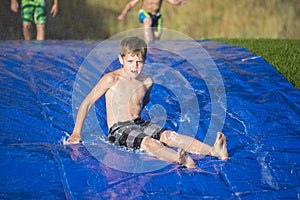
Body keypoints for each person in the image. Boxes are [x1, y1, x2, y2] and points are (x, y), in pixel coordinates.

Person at [65, 36, 228, 168]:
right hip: (119, 128)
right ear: (121, 59)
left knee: (169, 135)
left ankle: (214, 151)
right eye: (130, 62)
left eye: (139, 62)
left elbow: (144, 101)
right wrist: (77, 132)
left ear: (144, 60)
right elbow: (86, 103)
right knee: (149, 142)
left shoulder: (146, 81)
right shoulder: (111, 79)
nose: (134, 67)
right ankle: (181, 159)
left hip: (139, 123)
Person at [118, 0, 187, 41]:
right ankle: (148, 46)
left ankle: (151, 49)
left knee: (156, 38)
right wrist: (123, 13)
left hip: (156, 16)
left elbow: (173, 1)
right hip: (144, 13)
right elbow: (131, 4)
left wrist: (180, 1)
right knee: (148, 21)